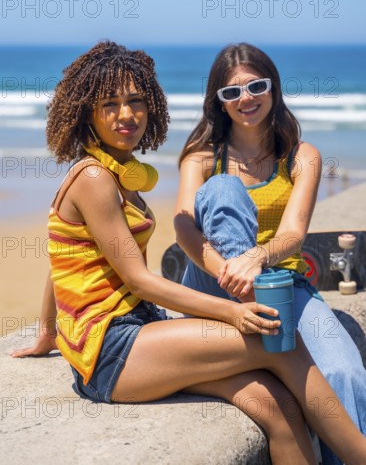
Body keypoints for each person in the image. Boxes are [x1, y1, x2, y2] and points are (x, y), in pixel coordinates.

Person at [11, 41, 366, 465]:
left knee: (276, 406)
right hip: (112, 350)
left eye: (135, 101)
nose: (126, 114)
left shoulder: (119, 175)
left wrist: (49, 330)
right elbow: (140, 280)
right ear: (86, 112)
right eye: (109, 104)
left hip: (142, 329)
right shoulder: (93, 178)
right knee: (282, 345)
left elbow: (64, 256)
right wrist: (234, 313)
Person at [174, 42, 366, 465]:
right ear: (219, 103)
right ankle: (268, 324)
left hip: (281, 285)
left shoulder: (302, 157)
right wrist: (231, 269)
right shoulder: (203, 159)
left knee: (343, 374)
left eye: (256, 86)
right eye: (231, 93)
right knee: (225, 189)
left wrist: (257, 259)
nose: (246, 98)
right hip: (214, 285)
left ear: (273, 89)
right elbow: (184, 225)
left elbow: (294, 234)